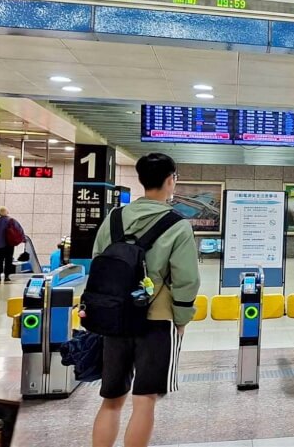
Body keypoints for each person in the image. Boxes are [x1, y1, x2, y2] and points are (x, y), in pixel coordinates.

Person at [91, 153, 200, 447]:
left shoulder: (113, 219)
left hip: (114, 318)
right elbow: (186, 279)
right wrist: (182, 319)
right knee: (144, 400)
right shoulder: (177, 224)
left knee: (111, 400)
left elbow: (98, 263)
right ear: (170, 180)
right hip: (156, 319)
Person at [0, 207, 23, 283]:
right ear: (7, 212)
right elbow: (19, 230)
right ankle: (6, 276)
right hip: (9, 244)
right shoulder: (12, 220)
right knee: (8, 260)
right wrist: (22, 239)